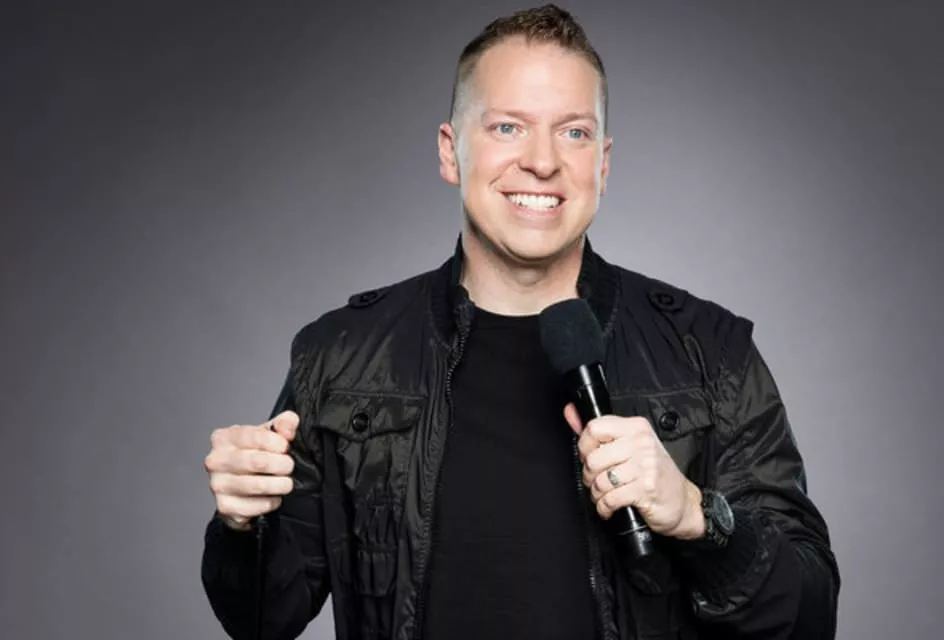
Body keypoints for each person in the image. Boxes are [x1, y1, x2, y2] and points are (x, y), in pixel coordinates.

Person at [200, 4, 840, 639]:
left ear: (603, 165)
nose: (542, 161)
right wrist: (241, 524)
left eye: (574, 133)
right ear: (451, 152)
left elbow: (810, 616)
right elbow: (264, 618)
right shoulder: (341, 354)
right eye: (508, 127)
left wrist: (700, 518)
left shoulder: (711, 352)